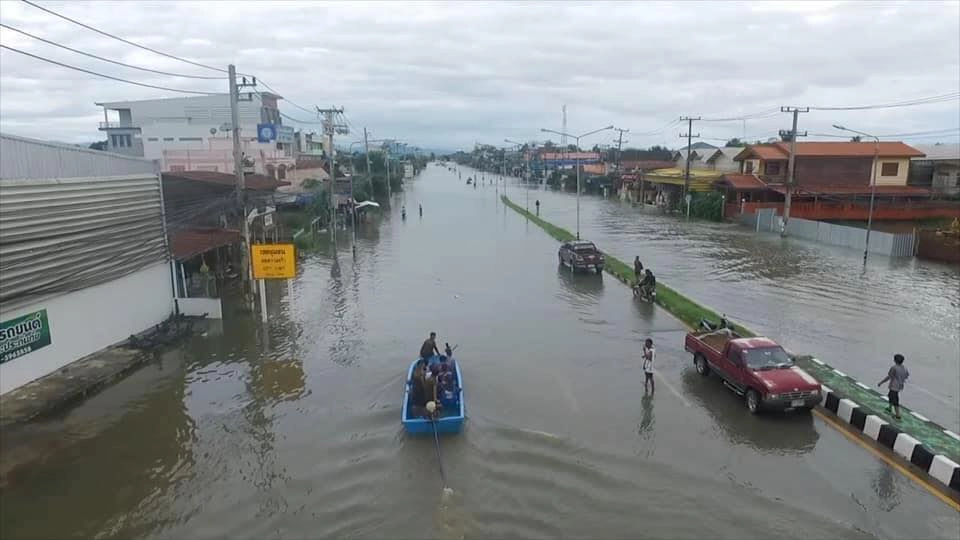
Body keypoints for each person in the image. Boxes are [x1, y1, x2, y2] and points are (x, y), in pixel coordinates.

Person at [878, 353, 910, 419]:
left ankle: (898, 415)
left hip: (893, 386)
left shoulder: (894, 368)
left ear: (895, 360)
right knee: (890, 395)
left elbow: (889, 376)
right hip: (900, 386)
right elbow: (906, 376)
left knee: (895, 399)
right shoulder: (904, 368)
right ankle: (889, 408)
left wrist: (881, 382)